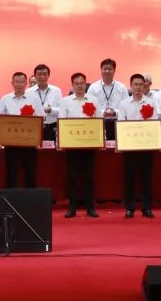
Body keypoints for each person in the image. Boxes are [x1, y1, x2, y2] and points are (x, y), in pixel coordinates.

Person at [60, 72, 99, 218]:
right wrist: (61, 141)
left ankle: (90, 208)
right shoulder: (65, 101)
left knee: (89, 177)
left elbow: (99, 120)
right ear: (72, 85)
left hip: (89, 145)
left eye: (82, 83)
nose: (79, 86)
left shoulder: (94, 100)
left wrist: (101, 140)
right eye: (76, 84)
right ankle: (72, 208)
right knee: (72, 177)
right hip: (72, 146)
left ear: (86, 84)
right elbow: (62, 122)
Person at [118, 73, 157, 218]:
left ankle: (147, 208)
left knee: (146, 177)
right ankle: (130, 208)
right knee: (130, 178)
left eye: (141, 84)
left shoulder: (151, 102)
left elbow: (154, 123)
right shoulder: (124, 103)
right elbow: (121, 124)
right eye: (135, 84)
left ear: (144, 85)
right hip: (130, 147)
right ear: (131, 86)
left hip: (146, 146)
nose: (138, 87)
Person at [0, 71, 44, 188]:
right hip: (11, 142)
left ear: (26, 83)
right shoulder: (5, 99)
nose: (19, 84)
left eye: (22, 82)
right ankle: (11, 196)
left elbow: (41, 118)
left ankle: (31, 197)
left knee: (30, 171)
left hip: (29, 142)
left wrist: (38, 140)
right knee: (11, 172)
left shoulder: (34, 99)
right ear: (12, 83)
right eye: (17, 82)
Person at [88, 58, 129, 140]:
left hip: (117, 122)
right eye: (105, 69)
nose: (107, 71)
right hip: (99, 122)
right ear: (101, 70)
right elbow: (89, 107)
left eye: (110, 69)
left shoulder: (121, 87)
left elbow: (127, 107)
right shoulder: (93, 87)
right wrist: (103, 112)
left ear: (114, 70)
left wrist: (115, 112)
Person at [26, 64, 62, 142]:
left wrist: (51, 110)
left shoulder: (56, 90)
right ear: (35, 76)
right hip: (34, 127)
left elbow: (61, 110)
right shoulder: (28, 92)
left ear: (48, 75)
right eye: (39, 74)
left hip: (51, 127)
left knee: (51, 149)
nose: (42, 77)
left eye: (44, 74)